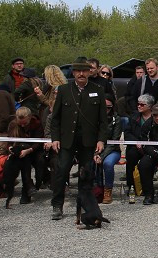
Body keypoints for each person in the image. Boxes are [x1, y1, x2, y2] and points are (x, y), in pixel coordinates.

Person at [48, 57, 106, 221]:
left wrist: (101, 140)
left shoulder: (98, 90)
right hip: (67, 139)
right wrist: (55, 138)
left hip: (88, 140)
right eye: (78, 71)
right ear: (73, 73)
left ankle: (84, 205)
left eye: (84, 71)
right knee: (62, 171)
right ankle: (57, 205)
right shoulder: (64, 90)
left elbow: (103, 120)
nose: (81, 74)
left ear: (89, 72)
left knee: (85, 174)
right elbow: (55, 118)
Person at [123, 94, 154, 202]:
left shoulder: (155, 118)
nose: (139, 106)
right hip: (135, 145)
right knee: (131, 156)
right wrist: (136, 142)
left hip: (150, 146)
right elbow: (127, 133)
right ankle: (131, 185)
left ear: (149, 106)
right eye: (138, 104)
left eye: (142, 104)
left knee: (146, 162)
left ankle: (146, 187)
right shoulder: (133, 117)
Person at [96, 97, 123, 205]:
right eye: (103, 107)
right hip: (95, 149)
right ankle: (96, 190)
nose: (106, 110)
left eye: (108, 108)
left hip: (113, 150)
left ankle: (108, 190)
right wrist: (96, 154)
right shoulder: (93, 119)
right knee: (91, 162)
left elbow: (114, 141)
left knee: (107, 163)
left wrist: (101, 156)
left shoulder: (116, 119)